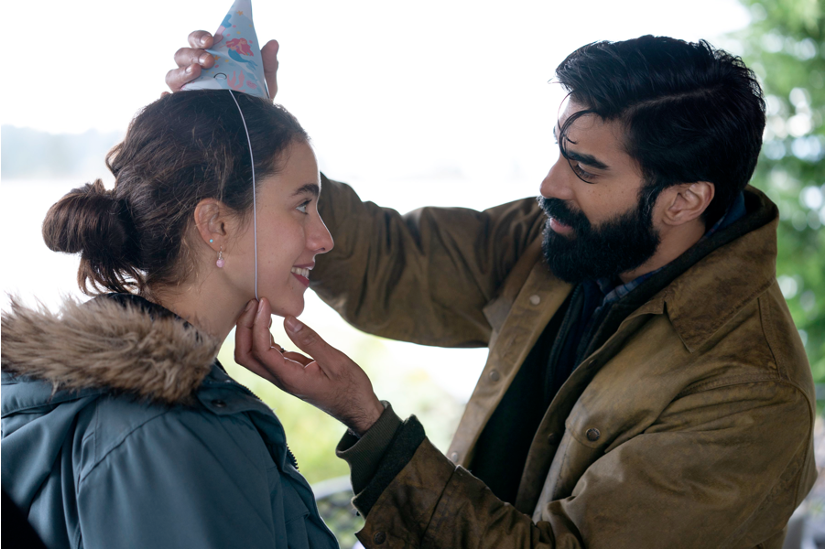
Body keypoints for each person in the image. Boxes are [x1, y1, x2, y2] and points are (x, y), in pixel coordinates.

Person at [170, 34, 818, 547]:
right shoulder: (559, 235)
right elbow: (388, 260)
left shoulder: (749, 391)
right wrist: (255, 130)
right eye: (560, 150)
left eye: (586, 168)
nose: (550, 183)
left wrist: (370, 424)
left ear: (684, 200)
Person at [0, 90, 347, 548]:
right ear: (215, 224)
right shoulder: (163, 434)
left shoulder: (145, 406)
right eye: (303, 205)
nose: (325, 239)